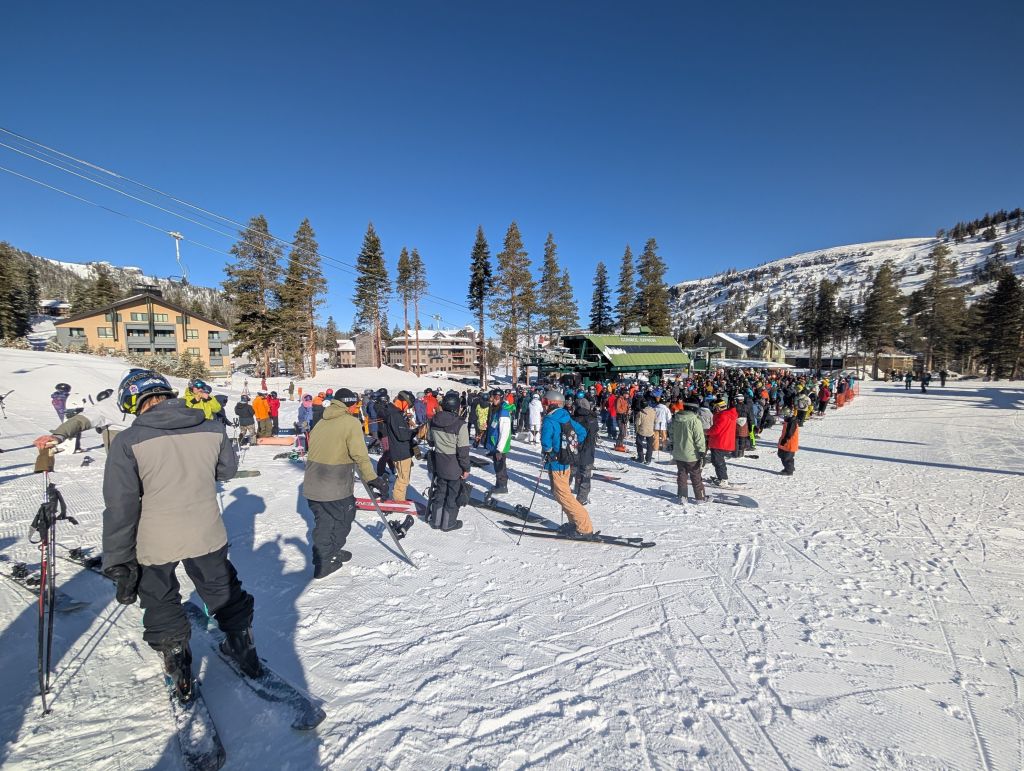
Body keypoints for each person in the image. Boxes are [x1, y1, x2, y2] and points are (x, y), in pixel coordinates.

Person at [102, 369, 259, 704]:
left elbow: (120, 506)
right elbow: (226, 470)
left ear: (134, 400)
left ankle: (180, 671)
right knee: (220, 586)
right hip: (206, 528)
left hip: (155, 536)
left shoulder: (128, 442)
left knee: (159, 597)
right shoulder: (213, 428)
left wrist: (118, 559)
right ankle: (243, 647)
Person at [303, 388, 389, 578]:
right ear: (350, 404)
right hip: (333, 483)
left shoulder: (322, 421)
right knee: (343, 518)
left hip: (312, 482)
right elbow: (360, 454)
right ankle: (327, 560)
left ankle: (325, 556)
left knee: (324, 521)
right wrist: (372, 478)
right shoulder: (350, 423)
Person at [541, 391, 594, 538]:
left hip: (556, 462)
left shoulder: (549, 419)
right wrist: (571, 448)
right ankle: (574, 522)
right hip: (566, 461)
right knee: (561, 494)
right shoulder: (565, 417)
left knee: (564, 496)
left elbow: (546, 442)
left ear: (552, 403)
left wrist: (551, 451)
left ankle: (584, 527)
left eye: (545, 402)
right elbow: (582, 432)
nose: (544, 405)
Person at [427, 391, 471, 531]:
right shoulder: (460, 424)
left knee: (440, 492)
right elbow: (463, 450)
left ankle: (436, 521)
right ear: (456, 407)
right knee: (452, 495)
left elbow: (430, 441)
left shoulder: (434, 420)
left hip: (439, 462)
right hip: (454, 465)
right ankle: (448, 523)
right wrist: (466, 468)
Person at [381, 390, 417, 502]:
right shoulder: (395, 415)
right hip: (401, 451)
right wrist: (415, 431)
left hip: (398, 450)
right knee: (403, 479)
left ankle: (399, 498)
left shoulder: (393, 412)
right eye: (408, 406)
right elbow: (402, 435)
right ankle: (398, 501)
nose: (407, 409)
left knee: (403, 477)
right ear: (404, 402)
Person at [670, 399, 707, 504]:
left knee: (682, 475)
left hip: (678, 452)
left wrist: (673, 445)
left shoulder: (676, 418)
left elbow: (671, 434)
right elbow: (699, 437)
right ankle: (700, 498)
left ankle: (682, 496)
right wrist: (702, 452)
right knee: (696, 476)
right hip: (692, 454)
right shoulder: (695, 420)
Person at [571, 395, 599, 506]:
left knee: (572, 472)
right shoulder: (593, 419)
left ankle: (565, 493)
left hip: (575, 450)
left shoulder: (573, 419)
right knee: (585, 475)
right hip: (588, 452)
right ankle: (581, 498)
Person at [484, 389, 513, 495]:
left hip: (500, 445)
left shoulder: (503, 410)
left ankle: (502, 486)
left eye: (496, 398)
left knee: (500, 465)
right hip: (495, 442)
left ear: (500, 398)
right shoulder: (495, 408)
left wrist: (499, 449)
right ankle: (499, 483)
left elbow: (505, 431)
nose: (494, 400)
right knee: (497, 465)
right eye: (493, 397)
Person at [706, 398, 737, 487]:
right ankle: (721, 478)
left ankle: (723, 479)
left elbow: (716, 429)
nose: (714, 409)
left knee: (718, 461)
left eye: (715, 407)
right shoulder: (728, 414)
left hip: (719, 442)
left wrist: (706, 432)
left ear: (718, 407)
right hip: (724, 441)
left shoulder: (723, 415)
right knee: (717, 461)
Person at [777, 407, 799, 476]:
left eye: (783, 415)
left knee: (786, 457)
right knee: (781, 454)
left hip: (789, 443)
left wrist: (784, 440)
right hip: (786, 442)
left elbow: (789, 433)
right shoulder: (789, 421)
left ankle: (789, 471)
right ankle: (789, 468)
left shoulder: (792, 422)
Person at [634, 398, 656, 464]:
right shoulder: (653, 411)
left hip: (642, 430)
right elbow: (655, 420)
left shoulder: (640, 413)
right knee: (649, 446)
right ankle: (648, 459)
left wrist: (636, 430)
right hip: (650, 431)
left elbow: (638, 423)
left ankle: (641, 458)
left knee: (639, 444)